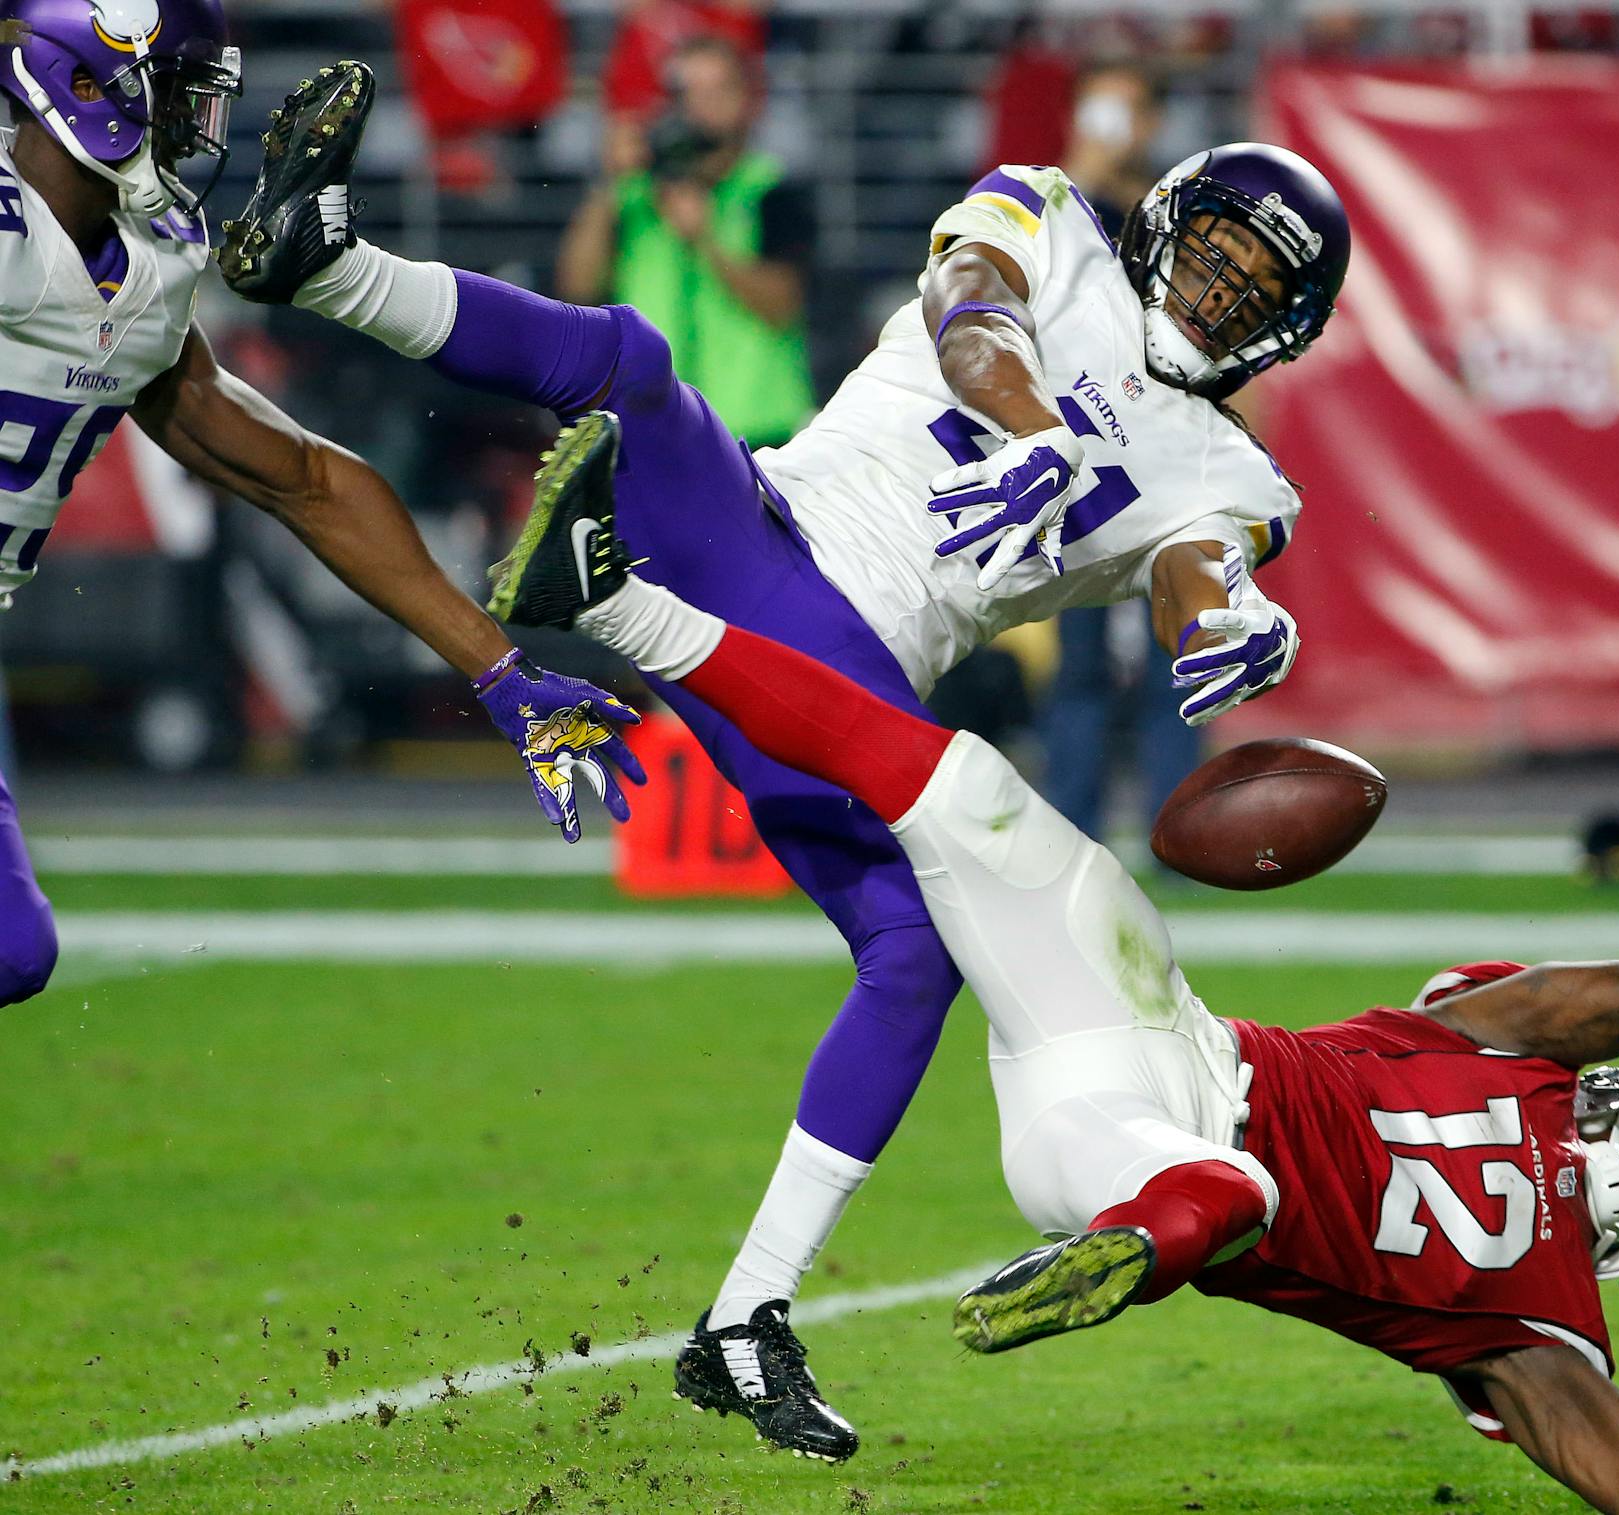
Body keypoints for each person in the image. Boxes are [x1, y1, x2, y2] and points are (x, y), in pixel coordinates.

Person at [487, 412, 1619, 1514]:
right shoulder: (1542, 1328)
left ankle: (620, 598)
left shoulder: (1508, 1048)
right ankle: (609, 592)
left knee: (967, 801)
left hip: (1162, 1049)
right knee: (1013, 862)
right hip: (1121, 1144)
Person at [219, 61, 1347, 1460]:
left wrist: (1231, 621)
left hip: (835, 677)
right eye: (1221, 251)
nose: (1226, 288)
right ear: (1170, 222)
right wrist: (1039, 431)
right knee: (634, 366)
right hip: (763, 522)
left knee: (917, 949)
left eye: (1258, 284)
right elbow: (969, 307)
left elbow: (1197, 558)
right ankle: (327, 271)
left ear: (1283, 327)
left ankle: (744, 1316)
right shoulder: (1051, 217)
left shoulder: (1240, 476)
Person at [0, 5, 636, 1009]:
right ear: (90, 87)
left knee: (11, 954)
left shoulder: (153, 256)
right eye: (178, 89)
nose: (194, 122)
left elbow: (304, 480)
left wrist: (501, 669)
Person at [1036, 63, 1204, 843]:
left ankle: (1180, 833)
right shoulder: (1051, 203)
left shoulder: (1182, 210)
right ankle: (1074, 828)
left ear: (1150, 123)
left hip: (1167, 455)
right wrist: (1073, 188)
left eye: (1122, 108)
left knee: (1183, 646)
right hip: (1076, 456)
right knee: (1079, 663)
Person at [557, 32, 813, 451]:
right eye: (688, 91)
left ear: (749, 100)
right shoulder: (635, 194)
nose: (704, 104)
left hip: (757, 434)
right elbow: (577, 285)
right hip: (650, 430)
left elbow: (782, 305)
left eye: (719, 89)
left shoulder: (772, 190)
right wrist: (609, 183)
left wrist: (706, 241)